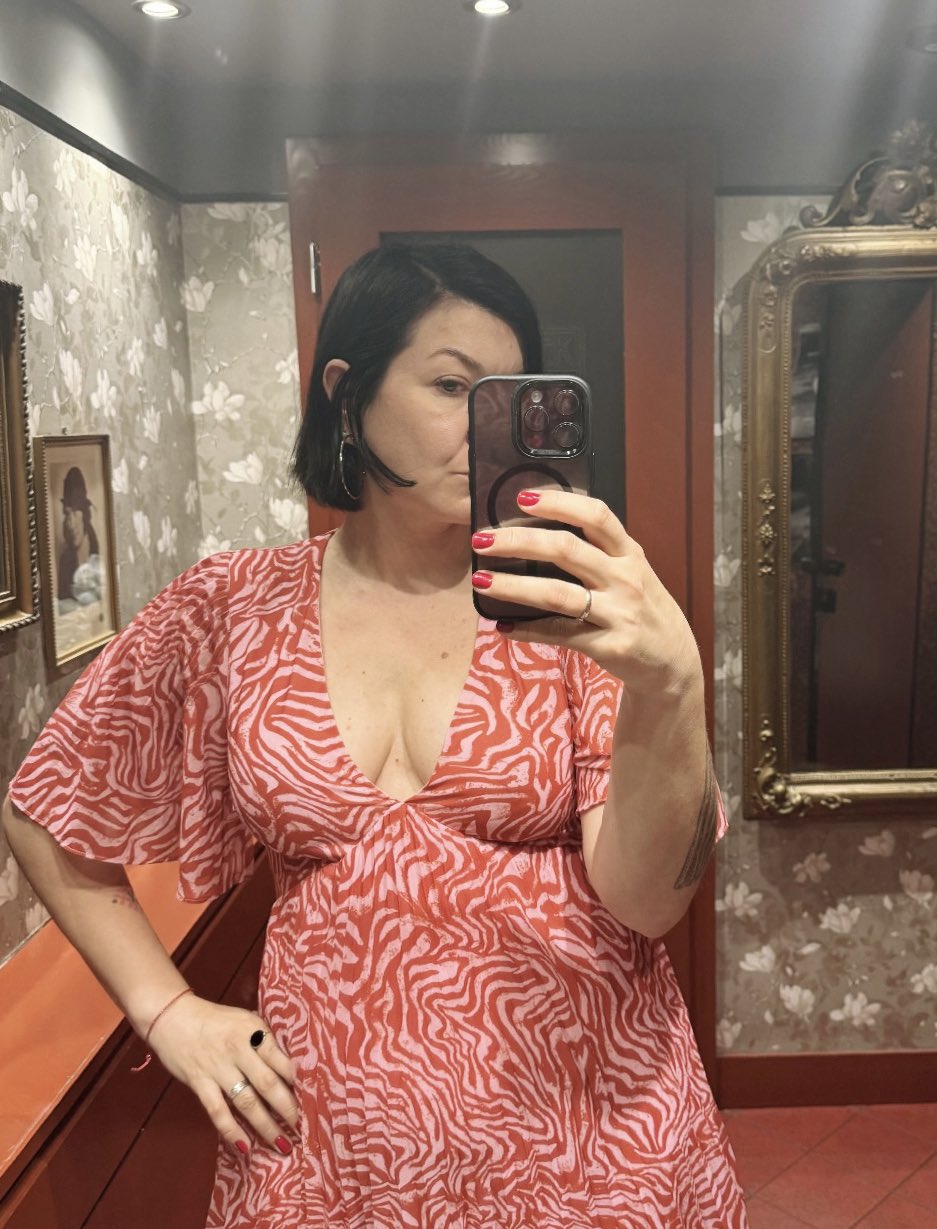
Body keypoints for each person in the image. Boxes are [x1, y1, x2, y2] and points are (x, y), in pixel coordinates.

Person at [3, 242, 748, 1228]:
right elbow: (44, 808)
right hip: (329, 1152)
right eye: (451, 387)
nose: (483, 431)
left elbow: (646, 902)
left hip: (592, 1136)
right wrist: (167, 1010)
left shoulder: (571, 606)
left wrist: (672, 682)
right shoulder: (231, 606)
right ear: (347, 392)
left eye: (506, 400)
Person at [56, 465, 103, 611]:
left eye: (76, 512)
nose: (71, 523)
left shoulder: (100, 552)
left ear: (85, 515)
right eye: (67, 513)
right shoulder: (65, 561)